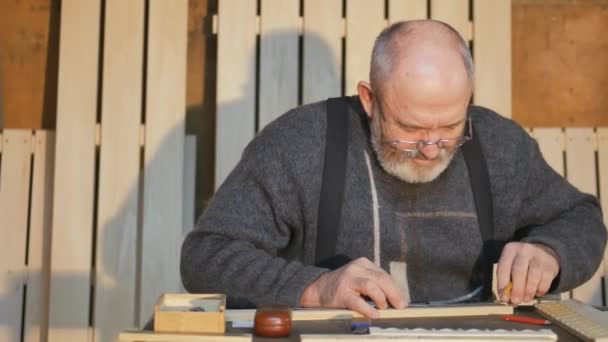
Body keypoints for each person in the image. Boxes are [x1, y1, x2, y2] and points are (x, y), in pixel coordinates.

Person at [181, 20, 606, 318]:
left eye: (451, 127)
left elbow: (581, 218)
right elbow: (206, 256)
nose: (430, 149)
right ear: (369, 99)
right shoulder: (299, 143)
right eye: (409, 128)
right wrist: (313, 288)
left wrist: (550, 252)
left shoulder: (501, 145)